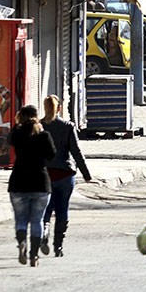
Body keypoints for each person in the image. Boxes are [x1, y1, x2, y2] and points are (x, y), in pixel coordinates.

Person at [39, 95, 91, 258]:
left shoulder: (39, 126)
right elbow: (76, 151)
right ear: (59, 108)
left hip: (45, 174)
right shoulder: (68, 126)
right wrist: (86, 174)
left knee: (46, 208)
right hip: (65, 174)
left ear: (45, 107)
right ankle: (58, 247)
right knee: (62, 209)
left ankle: (44, 231)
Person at [8, 105, 55, 267]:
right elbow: (51, 155)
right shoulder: (43, 135)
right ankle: (34, 255)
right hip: (40, 183)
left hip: (18, 183)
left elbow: (9, 140)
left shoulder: (17, 134)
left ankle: (22, 242)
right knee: (37, 220)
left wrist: (17, 124)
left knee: (20, 220)